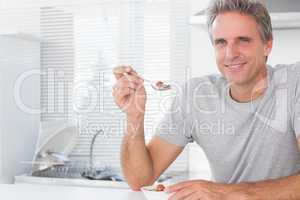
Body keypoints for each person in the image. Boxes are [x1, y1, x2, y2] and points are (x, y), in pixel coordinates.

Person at [112, 0, 300, 199]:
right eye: (221, 43)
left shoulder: (293, 84)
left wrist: (225, 192)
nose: (230, 54)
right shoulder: (196, 96)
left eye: (243, 40)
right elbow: (140, 180)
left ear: (267, 45)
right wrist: (134, 117)